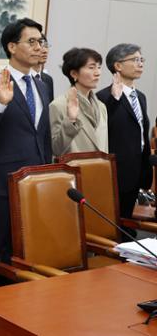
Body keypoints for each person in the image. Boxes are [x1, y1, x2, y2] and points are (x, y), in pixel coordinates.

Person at [0, 18, 52, 262]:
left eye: (40, 41)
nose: (39, 47)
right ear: (11, 47)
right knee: (2, 251)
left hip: (36, 179)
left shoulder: (42, 87)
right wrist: (0, 104)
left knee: (30, 248)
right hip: (4, 182)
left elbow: (43, 135)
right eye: (31, 42)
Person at [97, 43, 152, 236]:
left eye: (141, 59)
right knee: (114, 227)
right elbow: (103, 131)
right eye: (134, 60)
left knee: (128, 226)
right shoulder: (104, 97)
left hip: (137, 170)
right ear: (118, 66)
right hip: (116, 173)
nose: (140, 64)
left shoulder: (141, 97)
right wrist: (114, 99)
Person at [50, 48, 108, 156]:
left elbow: (104, 147)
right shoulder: (58, 105)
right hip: (74, 171)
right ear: (74, 74)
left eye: (99, 67)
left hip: (100, 170)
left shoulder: (101, 107)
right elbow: (55, 149)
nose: (98, 73)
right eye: (91, 67)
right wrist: (71, 120)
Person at [32, 33, 54, 102]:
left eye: (46, 46)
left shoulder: (48, 80)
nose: (45, 51)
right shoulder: (23, 78)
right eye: (41, 46)